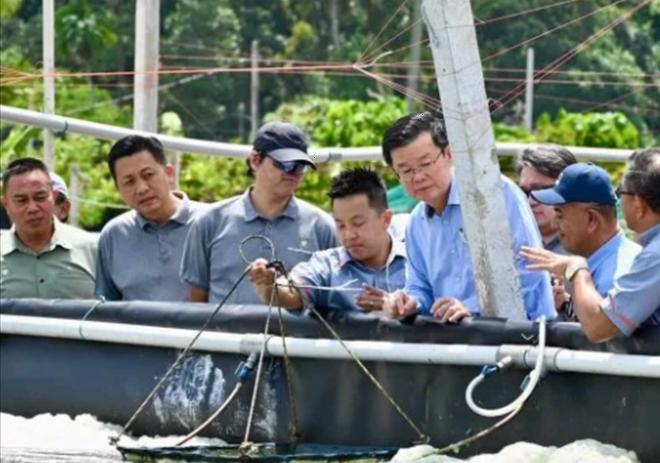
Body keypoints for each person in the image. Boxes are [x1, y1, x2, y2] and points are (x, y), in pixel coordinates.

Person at [523, 149, 660, 342]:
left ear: (639, 204)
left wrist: (577, 270)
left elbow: (599, 329)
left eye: (621, 192)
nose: (617, 201)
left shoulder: (658, 257)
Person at [377, 112, 555, 324]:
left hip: (523, 337)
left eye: (425, 164)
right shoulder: (417, 223)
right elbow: (419, 286)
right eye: (405, 171)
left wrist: (470, 306)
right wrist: (408, 302)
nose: (417, 176)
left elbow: (531, 267)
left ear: (450, 154)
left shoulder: (494, 193)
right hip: (459, 343)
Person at [180, 121, 337, 305]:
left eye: (301, 166)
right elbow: (197, 300)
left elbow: (331, 298)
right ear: (255, 160)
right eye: (285, 164)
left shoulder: (322, 227)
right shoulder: (209, 222)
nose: (294, 173)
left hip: (296, 335)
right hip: (223, 334)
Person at [247, 168, 407, 313]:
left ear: (386, 219)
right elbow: (291, 292)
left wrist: (403, 307)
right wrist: (268, 284)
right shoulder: (326, 266)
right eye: (341, 226)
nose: (349, 234)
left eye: (358, 223)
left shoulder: (418, 262)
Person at [95, 135, 208, 301]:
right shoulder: (114, 235)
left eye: (148, 175)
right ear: (118, 189)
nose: (141, 188)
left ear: (168, 173)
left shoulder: (210, 222)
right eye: (129, 181)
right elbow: (105, 305)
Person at [531, 162, 640, 319]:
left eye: (560, 215)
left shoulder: (615, 279)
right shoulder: (608, 260)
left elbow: (600, 337)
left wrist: (575, 271)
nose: (556, 223)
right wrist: (565, 303)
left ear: (591, 220)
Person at [1, 157, 97, 299]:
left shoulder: (92, 249)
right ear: (6, 204)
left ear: (53, 196)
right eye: (21, 200)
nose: (32, 208)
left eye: (40, 197)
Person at [517, 144, 577, 253]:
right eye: (524, 192)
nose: (530, 202)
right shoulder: (508, 244)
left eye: (541, 191)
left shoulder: (590, 251)